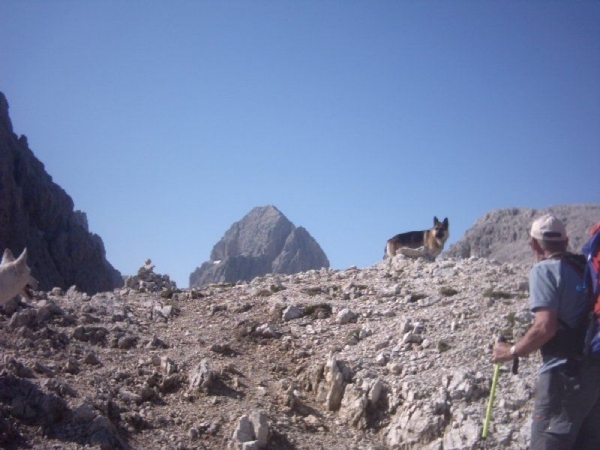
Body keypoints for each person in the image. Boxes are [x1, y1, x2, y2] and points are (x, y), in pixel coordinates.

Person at [492, 214, 600, 450]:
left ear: (533, 243)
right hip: (594, 372)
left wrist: (510, 351)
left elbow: (545, 326)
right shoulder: (585, 269)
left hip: (562, 375)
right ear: (566, 240)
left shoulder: (545, 270)